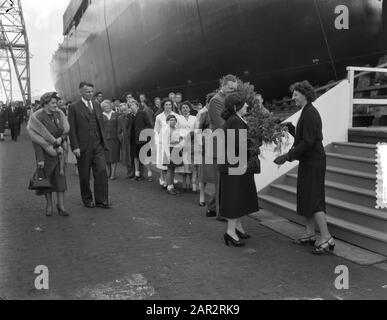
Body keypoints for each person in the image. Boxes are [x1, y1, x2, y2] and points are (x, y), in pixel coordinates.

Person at [274, 80, 335, 255]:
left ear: (305, 95)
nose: (293, 98)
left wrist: (287, 156)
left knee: (314, 199)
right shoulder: (306, 112)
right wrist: (292, 130)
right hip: (310, 160)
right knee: (307, 197)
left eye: (295, 95)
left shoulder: (310, 113)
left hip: (314, 161)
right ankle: (310, 234)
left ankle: (327, 238)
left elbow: (308, 142)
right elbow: (306, 138)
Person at [219, 91, 259, 247]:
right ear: (236, 107)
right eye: (244, 103)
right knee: (235, 198)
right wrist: (255, 147)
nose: (247, 105)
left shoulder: (234, 119)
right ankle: (230, 232)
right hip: (235, 166)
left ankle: (238, 227)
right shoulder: (236, 121)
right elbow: (240, 145)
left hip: (232, 165)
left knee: (238, 196)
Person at [68, 82, 111, 209]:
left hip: (98, 145)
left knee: (102, 171)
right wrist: (75, 146)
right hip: (83, 147)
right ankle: (87, 199)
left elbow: (100, 124)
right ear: (80, 92)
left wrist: (104, 141)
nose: (90, 94)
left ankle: (102, 200)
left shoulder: (97, 105)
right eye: (87, 92)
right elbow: (72, 129)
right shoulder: (74, 107)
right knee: (85, 175)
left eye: (92, 91)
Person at [27, 92, 70, 217]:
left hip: (59, 153)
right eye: (52, 103)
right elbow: (36, 140)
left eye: (56, 102)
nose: (55, 105)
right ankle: (49, 204)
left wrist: (61, 139)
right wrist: (40, 158)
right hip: (46, 154)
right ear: (45, 104)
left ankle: (61, 206)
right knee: (47, 181)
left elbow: (65, 131)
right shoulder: (38, 118)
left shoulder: (59, 114)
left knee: (60, 181)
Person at [206, 74, 238, 220]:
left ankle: (212, 208)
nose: (233, 91)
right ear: (223, 86)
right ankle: (221, 213)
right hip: (219, 145)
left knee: (223, 180)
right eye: (230, 88)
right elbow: (222, 125)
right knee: (220, 181)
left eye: (234, 89)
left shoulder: (227, 99)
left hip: (225, 144)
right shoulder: (217, 101)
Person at [154, 98, 181, 188]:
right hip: (162, 143)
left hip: (173, 143)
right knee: (163, 163)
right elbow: (156, 131)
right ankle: (164, 180)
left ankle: (169, 181)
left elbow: (178, 129)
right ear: (163, 106)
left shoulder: (176, 115)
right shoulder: (159, 117)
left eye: (170, 104)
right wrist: (157, 143)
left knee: (171, 164)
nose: (168, 106)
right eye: (166, 104)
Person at [129, 100, 153, 181]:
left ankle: (149, 175)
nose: (131, 106)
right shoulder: (130, 116)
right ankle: (137, 174)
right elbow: (129, 128)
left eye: (132, 104)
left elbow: (149, 125)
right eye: (130, 105)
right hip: (134, 140)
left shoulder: (143, 113)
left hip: (143, 139)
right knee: (135, 157)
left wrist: (142, 132)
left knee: (145, 157)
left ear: (137, 106)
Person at [175, 101, 196, 191]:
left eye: (186, 107)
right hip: (182, 142)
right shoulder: (178, 118)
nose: (185, 109)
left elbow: (197, 129)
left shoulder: (194, 118)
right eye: (183, 108)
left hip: (192, 142)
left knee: (190, 163)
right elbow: (176, 129)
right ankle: (184, 183)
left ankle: (191, 183)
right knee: (183, 164)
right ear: (181, 109)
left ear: (189, 108)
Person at [162, 114, 184, 195]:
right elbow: (165, 142)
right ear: (168, 121)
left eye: (174, 120)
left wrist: (180, 141)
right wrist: (168, 156)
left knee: (173, 169)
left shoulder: (176, 129)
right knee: (169, 169)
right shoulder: (167, 130)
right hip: (169, 150)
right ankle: (169, 187)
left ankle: (171, 186)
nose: (173, 121)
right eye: (171, 120)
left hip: (176, 150)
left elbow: (179, 140)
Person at [101, 100, 121, 180]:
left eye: (107, 106)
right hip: (105, 139)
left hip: (115, 139)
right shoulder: (101, 115)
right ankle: (108, 172)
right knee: (106, 157)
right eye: (104, 107)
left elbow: (119, 126)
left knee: (114, 157)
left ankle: (113, 174)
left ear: (110, 106)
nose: (106, 107)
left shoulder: (116, 114)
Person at [118, 103, 135, 179]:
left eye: (125, 110)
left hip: (133, 139)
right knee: (126, 156)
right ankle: (129, 172)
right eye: (122, 110)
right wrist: (121, 139)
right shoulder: (120, 118)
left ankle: (136, 172)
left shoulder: (132, 116)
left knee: (133, 156)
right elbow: (118, 131)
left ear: (128, 109)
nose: (123, 111)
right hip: (125, 140)